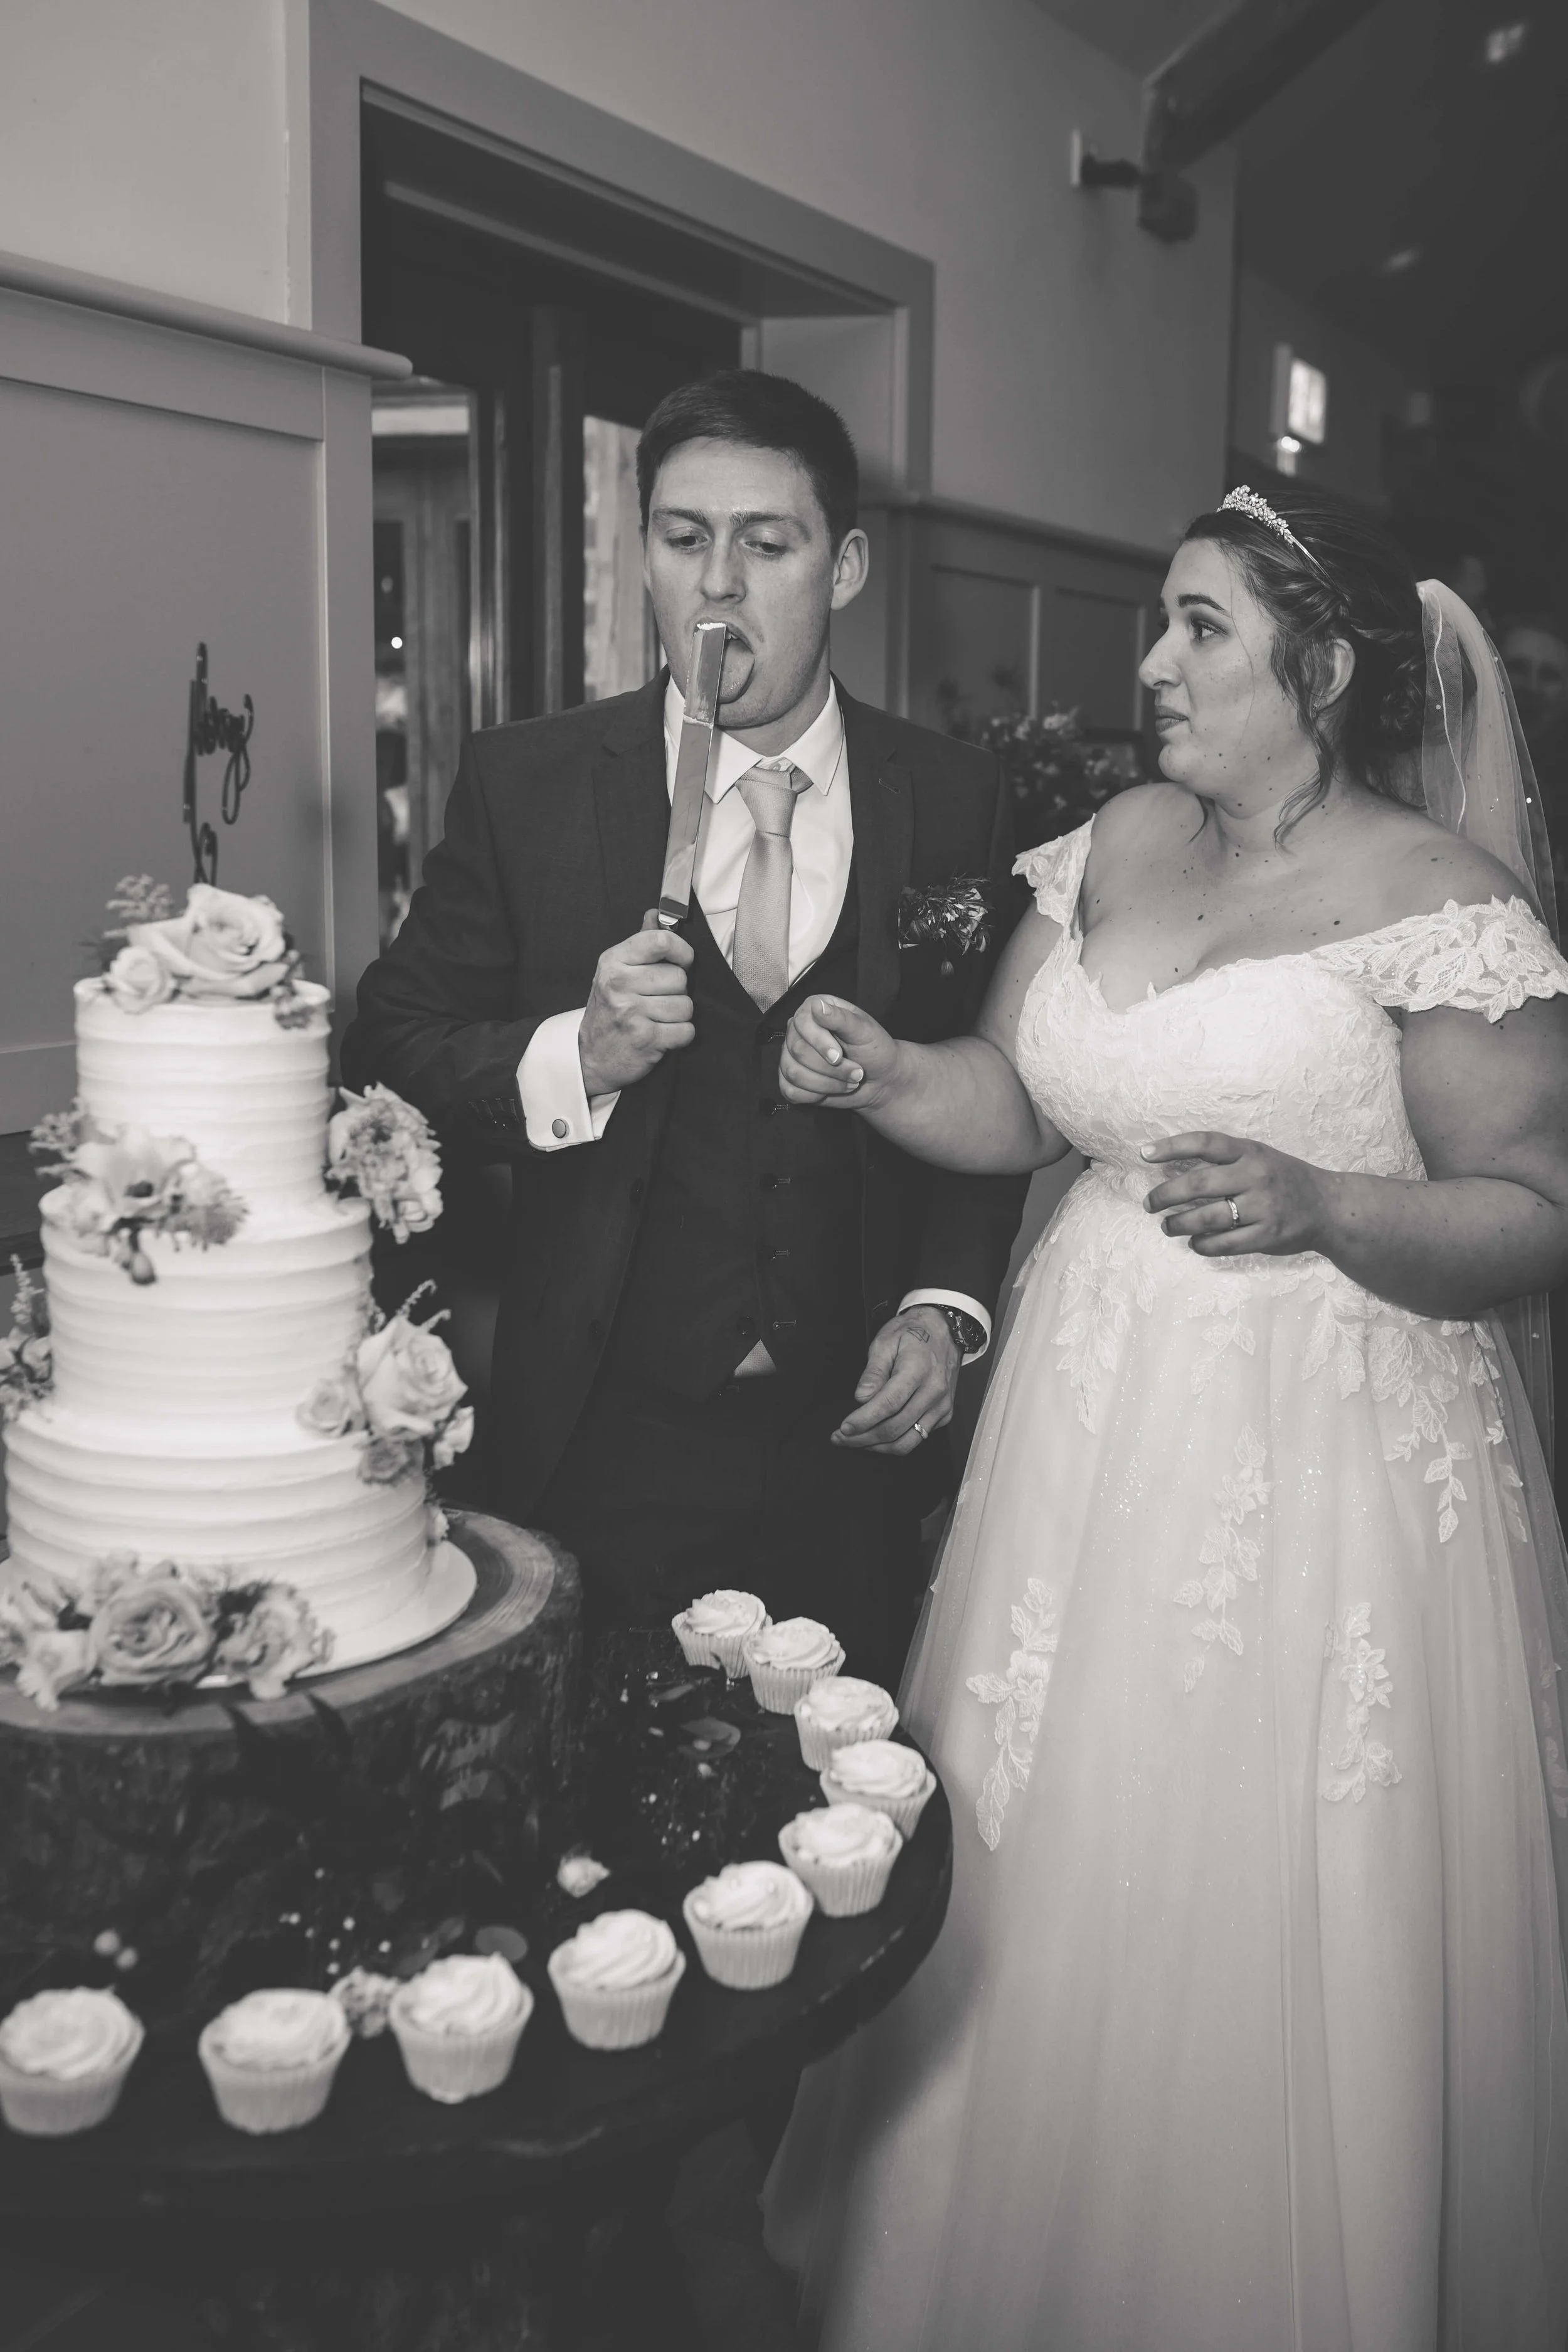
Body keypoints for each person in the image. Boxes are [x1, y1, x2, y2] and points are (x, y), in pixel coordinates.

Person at [763, 483, 1568, 2349]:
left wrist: (1328, 1205)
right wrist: (887, 1072)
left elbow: (1532, 1212)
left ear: (1326, 663)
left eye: (1198, 626)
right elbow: (1019, 1101)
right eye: (1161, 618)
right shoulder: (1116, 841)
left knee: (1261, 1910)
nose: (1151, 662)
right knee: (1040, 1855)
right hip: (1078, 1432)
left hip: (1322, 1458)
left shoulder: (1442, 907)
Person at [341, 370, 1027, 1679]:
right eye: (681, 538)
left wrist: (941, 1309)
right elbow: (392, 1046)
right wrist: (573, 1056)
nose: (717, 583)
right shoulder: (529, 785)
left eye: (764, 544)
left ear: (842, 568)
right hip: (602, 1431)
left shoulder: (949, 800)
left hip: (854, 1446)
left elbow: (990, 1089)